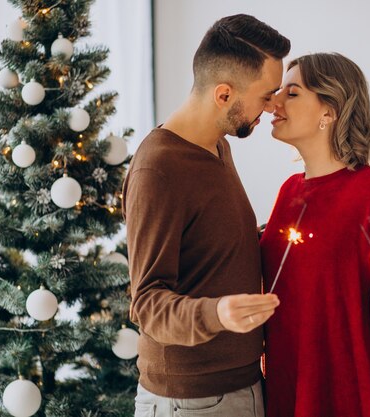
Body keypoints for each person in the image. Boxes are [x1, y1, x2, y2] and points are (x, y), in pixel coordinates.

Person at [122, 14, 290, 417]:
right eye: (266, 95)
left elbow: (211, 244)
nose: (271, 107)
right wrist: (217, 313)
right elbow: (146, 302)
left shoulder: (217, 146)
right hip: (193, 400)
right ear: (224, 95)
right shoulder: (158, 169)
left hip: (239, 385)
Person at [261, 53, 370, 417]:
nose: (272, 102)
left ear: (330, 110)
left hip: (352, 391)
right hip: (289, 386)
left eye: (291, 93)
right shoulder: (288, 193)